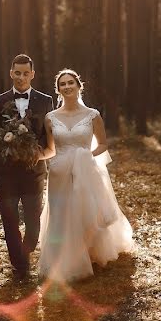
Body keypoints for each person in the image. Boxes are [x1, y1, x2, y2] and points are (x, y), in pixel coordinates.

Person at [38, 69, 134, 283]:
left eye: (71, 82)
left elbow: (102, 144)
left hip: (85, 170)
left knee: (85, 211)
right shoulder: (50, 118)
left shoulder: (93, 115)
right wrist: (35, 157)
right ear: (58, 90)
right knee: (61, 213)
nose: (67, 87)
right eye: (62, 84)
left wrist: (86, 157)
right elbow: (51, 149)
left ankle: (88, 253)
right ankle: (63, 257)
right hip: (59, 172)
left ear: (79, 86)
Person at [0, 54, 56, 279]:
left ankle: (27, 249)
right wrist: (7, 145)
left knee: (33, 220)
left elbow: (48, 136)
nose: (21, 77)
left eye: (25, 73)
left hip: (34, 171)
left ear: (32, 75)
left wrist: (38, 153)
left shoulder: (45, 101)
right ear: (11, 73)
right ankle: (20, 266)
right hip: (6, 171)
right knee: (9, 219)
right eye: (17, 72)